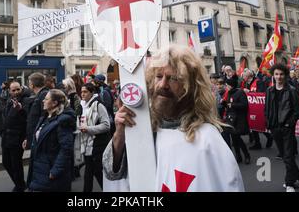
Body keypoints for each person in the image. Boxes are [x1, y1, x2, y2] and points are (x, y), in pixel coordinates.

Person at [103, 45, 244, 191]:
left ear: (191, 88)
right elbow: (112, 173)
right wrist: (120, 134)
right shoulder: (142, 129)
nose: (163, 84)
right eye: (158, 76)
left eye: (173, 79)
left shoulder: (207, 138)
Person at [264, 64, 299, 192]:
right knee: (285, 155)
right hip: (274, 128)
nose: (279, 77)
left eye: (281, 74)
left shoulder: (291, 90)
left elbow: (298, 112)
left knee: (288, 156)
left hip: (287, 128)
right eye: (276, 74)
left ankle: (289, 183)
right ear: (273, 75)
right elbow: (267, 109)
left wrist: (289, 124)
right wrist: (269, 123)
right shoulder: (269, 91)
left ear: (285, 75)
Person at [28, 89, 75, 192]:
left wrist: (55, 170)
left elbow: (66, 148)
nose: (43, 101)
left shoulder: (63, 121)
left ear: (54, 103)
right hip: (39, 168)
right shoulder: (44, 117)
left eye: (46, 99)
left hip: (50, 169)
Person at [79, 83, 111, 192]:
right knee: (88, 174)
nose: (82, 94)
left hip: (98, 145)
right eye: (81, 91)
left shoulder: (98, 105)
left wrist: (88, 129)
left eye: (85, 92)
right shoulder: (83, 105)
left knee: (98, 172)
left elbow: (106, 125)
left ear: (92, 92)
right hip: (87, 145)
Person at [1, 81, 28, 192]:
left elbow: (27, 120)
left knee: (16, 164)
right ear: (10, 91)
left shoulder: (26, 100)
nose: (16, 92)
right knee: (6, 162)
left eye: (18, 89)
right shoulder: (8, 101)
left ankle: (19, 186)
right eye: (14, 90)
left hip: (17, 138)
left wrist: (20, 110)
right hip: (6, 137)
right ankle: (20, 183)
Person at [223, 77, 251, 164]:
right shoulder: (229, 93)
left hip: (239, 119)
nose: (226, 86)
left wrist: (233, 105)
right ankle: (238, 156)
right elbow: (228, 105)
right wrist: (225, 104)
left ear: (231, 86)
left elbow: (244, 105)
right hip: (231, 118)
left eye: (227, 85)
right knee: (234, 139)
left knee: (237, 138)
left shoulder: (240, 92)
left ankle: (246, 155)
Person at [24, 73, 49, 150]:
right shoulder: (41, 95)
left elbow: (44, 117)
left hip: (40, 138)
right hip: (37, 136)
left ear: (32, 85)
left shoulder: (43, 95)